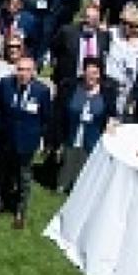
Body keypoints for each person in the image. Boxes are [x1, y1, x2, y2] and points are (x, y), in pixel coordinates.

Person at [0, 55, 51, 229]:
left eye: (27, 70)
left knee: (24, 178)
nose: (23, 74)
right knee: (1, 174)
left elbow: (45, 118)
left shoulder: (42, 91)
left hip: (26, 142)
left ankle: (20, 211)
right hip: (5, 139)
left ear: (34, 72)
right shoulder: (5, 85)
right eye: (20, 69)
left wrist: (39, 139)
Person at [53, 58, 119, 193]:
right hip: (73, 131)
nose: (91, 77)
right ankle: (62, 184)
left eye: (94, 73)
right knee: (69, 159)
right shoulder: (72, 88)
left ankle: (80, 188)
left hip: (93, 134)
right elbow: (62, 111)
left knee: (85, 162)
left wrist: (111, 124)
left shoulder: (107, 92)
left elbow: (112, 113)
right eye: (88, 73)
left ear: (100, 74)